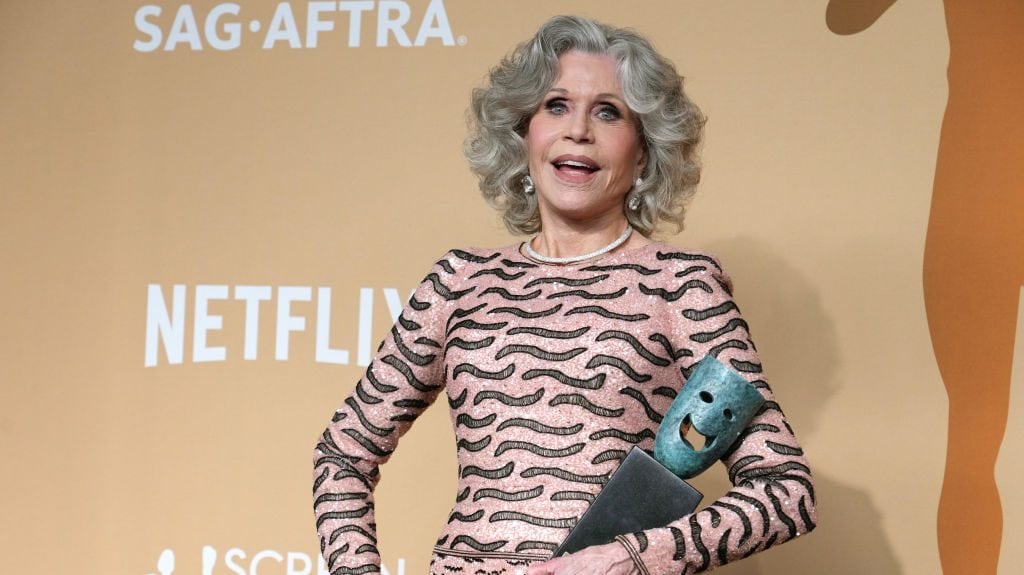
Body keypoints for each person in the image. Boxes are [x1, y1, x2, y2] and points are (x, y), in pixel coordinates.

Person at [312, 15, 816, 575]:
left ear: (644, 151)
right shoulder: (459, 281)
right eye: (556, 105)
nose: (578, 129)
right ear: (522, 131)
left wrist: (635, 557)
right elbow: (341, 454)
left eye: (608, 111)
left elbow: (785, 491)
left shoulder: (680, 283)